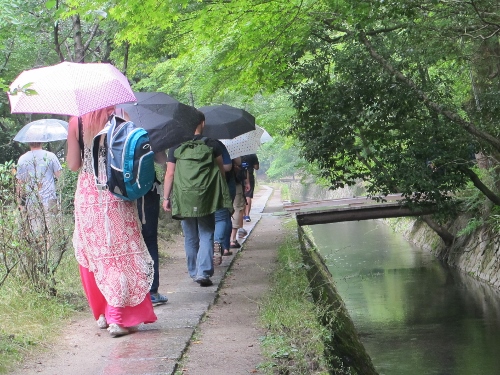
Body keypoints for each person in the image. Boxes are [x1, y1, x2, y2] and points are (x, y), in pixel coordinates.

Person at [67, 107, 157, 338]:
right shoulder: (121, 118)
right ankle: (118, 317)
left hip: (87, 195)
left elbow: (73, 165)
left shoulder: (76, 122)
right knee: (121, 254)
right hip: (115, 192)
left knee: (96, 254)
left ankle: (105, 314)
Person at [162, 110, 227, 287]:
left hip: (184, 196)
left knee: (190, 236)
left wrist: (166, 197)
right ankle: (203, 272)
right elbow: (220, 171)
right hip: (206, 195)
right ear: (202, 123)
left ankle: (193, 272)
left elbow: (170, 174)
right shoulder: (213, 145)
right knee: (206, 232)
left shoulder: (175, 146)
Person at [114, 107, 168, 305]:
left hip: (119, 192)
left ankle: (126, 293)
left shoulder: (113, 131)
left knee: (125, 241)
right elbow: (162, 161)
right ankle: (151, 292)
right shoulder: (148, 130)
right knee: (149, 238)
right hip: (146, 191)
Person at [16, 142, 62, 233]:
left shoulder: (22, 159)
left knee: (36, 232)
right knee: (52, 231)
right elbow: (61, 178)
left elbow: (20, 185)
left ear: (28, 142)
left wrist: (19, 203)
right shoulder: (51, 156)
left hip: (32, 201)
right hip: (50, 199)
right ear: (42, 141)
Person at [241, 153, 259, 222]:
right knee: (248, 195)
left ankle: (242, 215)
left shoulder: (236, 153)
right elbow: (256, 167)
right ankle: (247, 215)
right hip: (250, 177)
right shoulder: (252, 154)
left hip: (239, 176)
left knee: (241, 196)